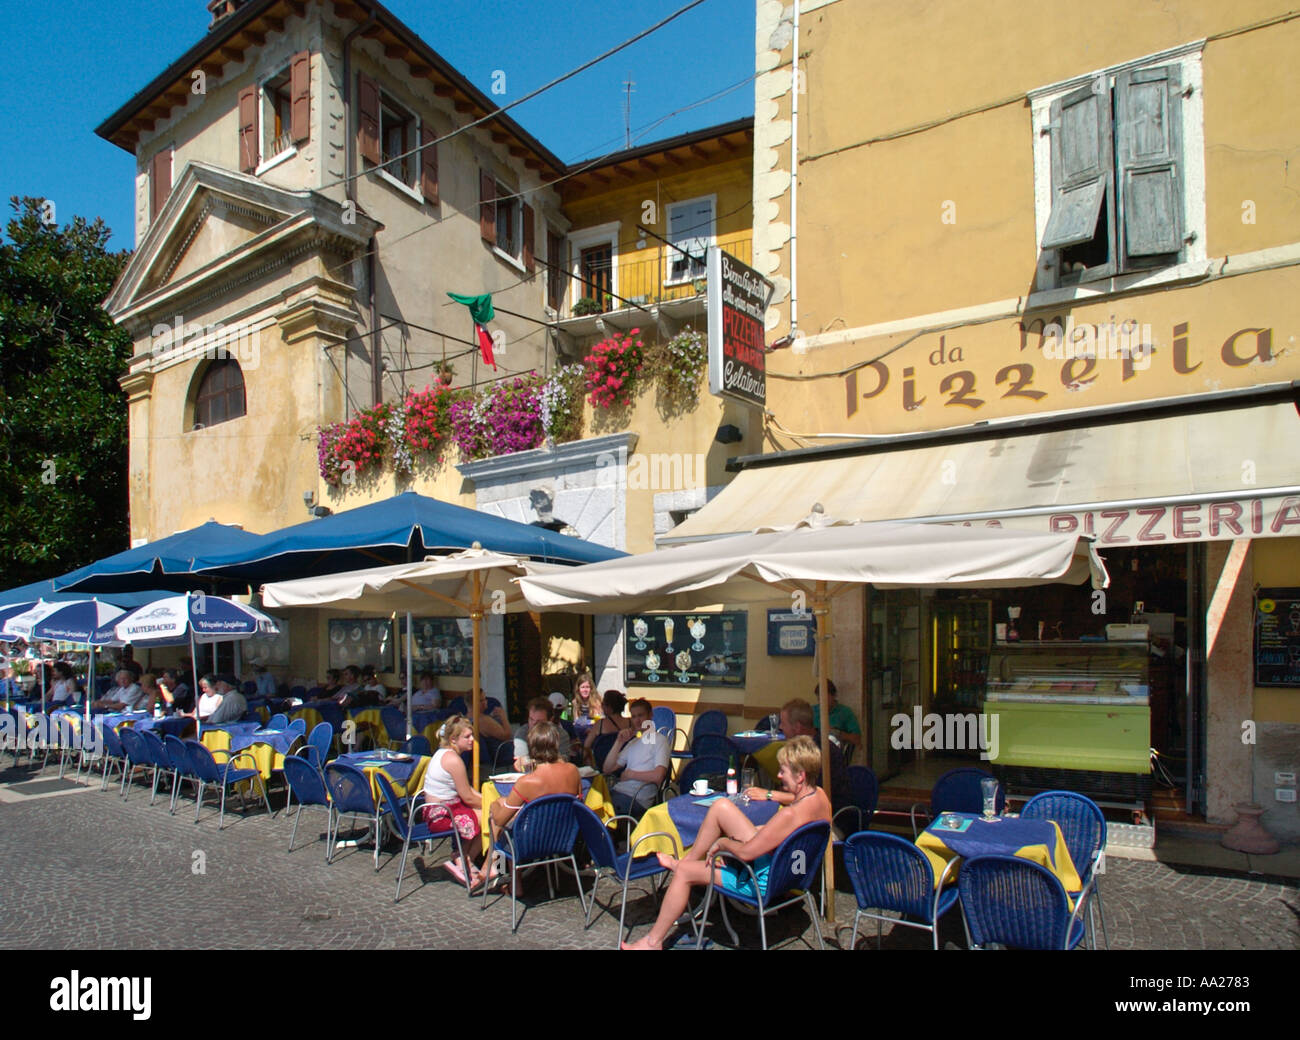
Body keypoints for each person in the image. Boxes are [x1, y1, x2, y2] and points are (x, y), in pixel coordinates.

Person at [622, 735, 832, 950]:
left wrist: (723, 843)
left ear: (800, 776)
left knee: (685, 872)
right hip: (793, 873)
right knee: (722, 807)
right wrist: (763, 823)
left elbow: (746, 854)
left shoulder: (789, 816)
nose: (778, 775)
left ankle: (652, 941)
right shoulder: (821, 798)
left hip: (763, 880)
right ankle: (689, 859)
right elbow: (784, 826)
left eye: (783, 771)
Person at [483, 722, 581, 890]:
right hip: (564, 836)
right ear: (556, 743)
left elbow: (500, 820)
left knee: (497, 820)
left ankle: (500, 871)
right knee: (508, 812)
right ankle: (494, 868)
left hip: (530, 842)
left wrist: (493, 805)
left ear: (531, 747)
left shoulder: (527, 782)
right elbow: (579, 802)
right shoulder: (573, 771)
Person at [420, 715, 485, 886]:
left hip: (436, 808)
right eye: (467, 736)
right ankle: (465, 860)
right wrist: (493, 805)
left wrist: (488, 800)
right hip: (441, 815)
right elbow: (468, 797)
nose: (472, 739)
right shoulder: (453, 760)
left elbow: (468, 790)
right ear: (453, 739)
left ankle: (463, 859)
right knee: (489, 818)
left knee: (484, 812)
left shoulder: (444, 753)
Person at [781, 698, 851, 818]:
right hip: (804, 812)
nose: (780, 727)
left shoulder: (823, 753)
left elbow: (812, 797)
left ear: (797, 727)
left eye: (783, 723)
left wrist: (770, 795)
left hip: (830, 821)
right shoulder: (802, 748)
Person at [603, 697, 670, 816]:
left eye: (640, 715)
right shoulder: (633, 742)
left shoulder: (660, 740)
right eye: (633, 717)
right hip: (619, 792)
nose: (637, 720)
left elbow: (658, 776)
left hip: (636, 799)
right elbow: (607, 769)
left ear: (650, 715)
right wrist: (618, 742)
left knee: (600, 808)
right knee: (589, 801)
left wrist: (630, 774)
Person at [513, 697, 571, 764]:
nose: (533, 724)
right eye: (531, 719)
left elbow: (562, 761)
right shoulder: (521, 733)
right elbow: (521, 762)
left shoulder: (561, 734)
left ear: (550, 720)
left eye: (539, 721)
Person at [810, 681, 861, 755]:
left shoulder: (845, 712)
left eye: (826, 699)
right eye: (819, 699)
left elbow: (857, 739)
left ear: (834, 696)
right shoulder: (811, 711)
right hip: (813, 752)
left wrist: (836, 733)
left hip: (835, 754)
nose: (822, 702)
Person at [583, 688, 631, 758]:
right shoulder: (630, 722)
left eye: (603, 704)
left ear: (609, 707)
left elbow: (587, 745)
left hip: (604, 762)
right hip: (626, 761)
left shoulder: (600, 724)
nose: (601, 707)